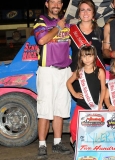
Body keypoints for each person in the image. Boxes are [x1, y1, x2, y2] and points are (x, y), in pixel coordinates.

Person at [33, 0, 72, 159]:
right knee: (45, 109)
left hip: (65, 71)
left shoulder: (67, 23)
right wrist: (58, 27)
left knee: (60, 109)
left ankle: (57, 143)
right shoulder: (41, 21)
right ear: (47, 4)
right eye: (53, 1)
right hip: (47, 70)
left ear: (62, 5)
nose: (56, 4)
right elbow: (41, 40)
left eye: (59, 2)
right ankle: (42, 145)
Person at [67, 45, 106, 149]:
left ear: (94, 56)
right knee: (73, 127)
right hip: (81, 106)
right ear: (81, 58)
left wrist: (101, 103)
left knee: (94, 131)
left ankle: (90, 148)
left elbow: (103, 89)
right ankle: (75, 143)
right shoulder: (79, 72)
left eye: (90, 56)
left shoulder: (100, 71)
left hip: (95, 107)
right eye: (84, 56)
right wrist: (74, 94)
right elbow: (68, 83)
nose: (87, 59)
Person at [70, 0, 105, 72]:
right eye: (82, 10)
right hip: (76, 74)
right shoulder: (71, 30)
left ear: (93, 13)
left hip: (96, 74)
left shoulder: (100, 31)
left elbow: (105, 52)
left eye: (89, 10)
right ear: (79, 13)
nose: (85, 13)